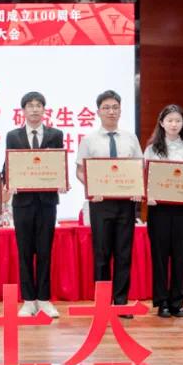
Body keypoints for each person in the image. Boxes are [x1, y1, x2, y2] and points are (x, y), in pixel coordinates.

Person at [75, 90, 143, 319]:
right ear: (98, 112)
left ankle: (121, 302)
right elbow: (80, 171)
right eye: (106, 107)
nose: (111, 111)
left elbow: (139, 168)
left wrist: (138, 189)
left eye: (115, 107)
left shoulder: (130, 138)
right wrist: (91, 188)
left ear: (120, 111)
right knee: (102, 254)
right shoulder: (89, 140)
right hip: (100, 203)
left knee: (124, 253)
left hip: (125, 204)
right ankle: (103, 303)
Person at [3, 91, 65, 319]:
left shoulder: (55, 134)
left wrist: (62, 180)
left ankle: (44, 300)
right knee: (25, 252)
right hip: (22, 203)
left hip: (47, 202)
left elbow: (58, 164)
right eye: (30, 105)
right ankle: (29, 301)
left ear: (44, 110)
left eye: (39, 105)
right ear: (23, 110)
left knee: (45, 251)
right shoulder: (13, 136)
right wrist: (8, 181)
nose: (35, 109)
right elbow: (8, 165)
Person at [143, 104, 183, 318]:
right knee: (159, 255)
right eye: (170, 120)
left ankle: (178, 301)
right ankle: (162, 301)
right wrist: (149, 194)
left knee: (179, 255)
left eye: (178, 120)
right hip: (159, 208)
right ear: (162, 123)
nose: (174, 124)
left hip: (182, 208)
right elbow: (145, 176)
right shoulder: (152, 149)